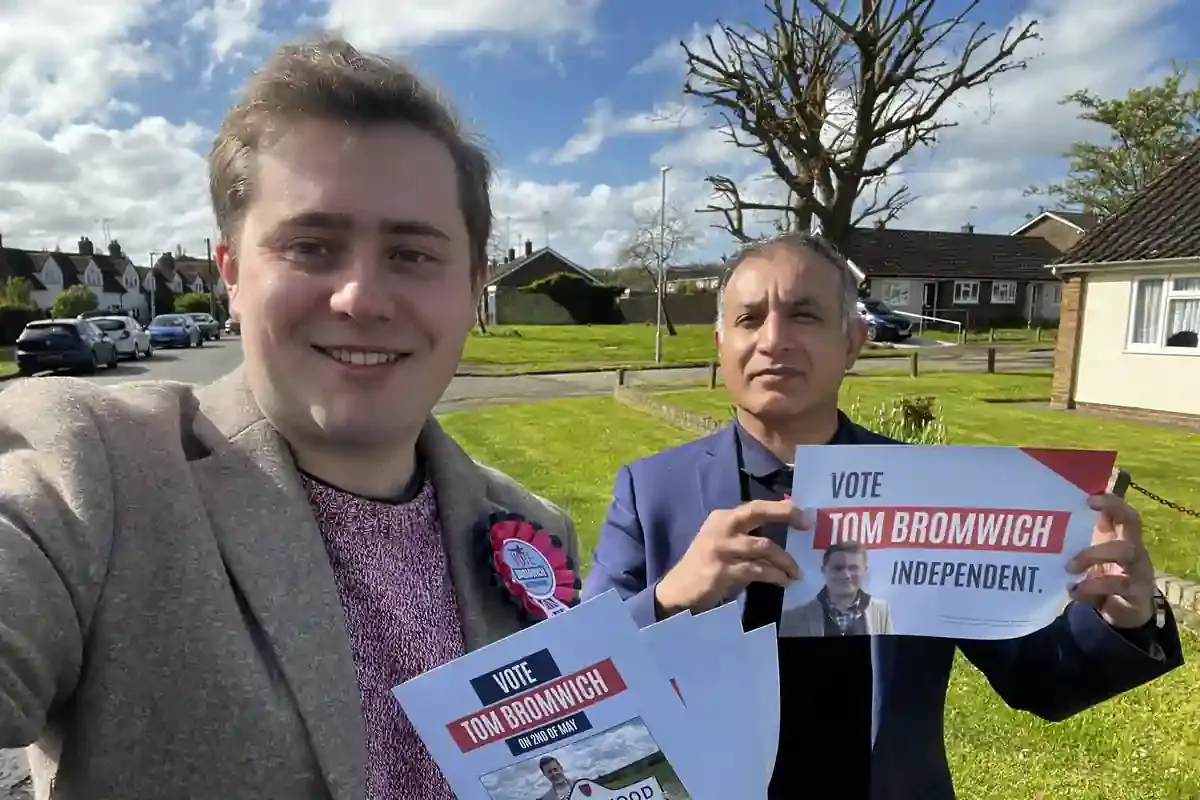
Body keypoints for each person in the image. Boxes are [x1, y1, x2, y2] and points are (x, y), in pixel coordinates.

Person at [0, 36, 578, 800]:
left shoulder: (534, 531)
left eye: (411, 254)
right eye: (312, 246)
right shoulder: (95, 474)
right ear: (232, 274)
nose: (362, 298)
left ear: (474, 284)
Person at [582, 232, 1183, 799]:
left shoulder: (932, 493)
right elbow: (574, 686)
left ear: (853, 341)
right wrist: (669, 600)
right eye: (749, 319)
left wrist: (1125, 620)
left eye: (804, 315)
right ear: (721, 346)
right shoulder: (650, 492)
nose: (773, 339)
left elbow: (1039, 675)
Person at [779, 542, 893, 636]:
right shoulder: (792, 618)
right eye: (838, 568)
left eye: (853, 568)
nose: (846, 575)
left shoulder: (881, 611)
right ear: (823, 570)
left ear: (864, 571)